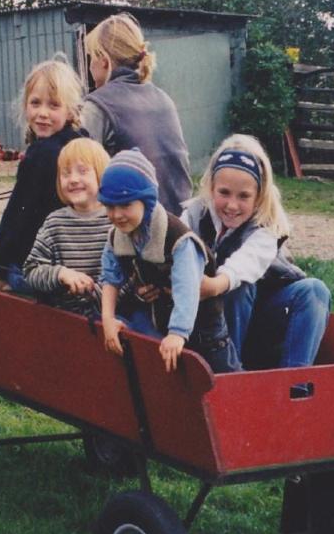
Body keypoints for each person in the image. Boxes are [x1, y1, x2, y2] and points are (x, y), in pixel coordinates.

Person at [180, 134, 329, 370]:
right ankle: (230, 372)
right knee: (237, 291)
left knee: (314, 290)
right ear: (211, 187)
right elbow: (173, 254)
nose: (232, 205)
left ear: (259, 196)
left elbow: (244, 265)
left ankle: (295, 382)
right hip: (209, 325)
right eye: (224, 193)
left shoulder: (266, 227)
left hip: (263, 319)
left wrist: (212, 285)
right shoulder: (193, 215)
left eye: (244, 196)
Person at [98, 149, 240, 375]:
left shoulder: (178, 239)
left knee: (224, 377)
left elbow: (187, 286)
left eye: (125, 205)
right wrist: (108, 318)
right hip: (163, 321)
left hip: (204, 327)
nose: (117, 215)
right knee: (175, 379)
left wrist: (178, 332)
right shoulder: (118, 235)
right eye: (110, 206)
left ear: (147, 201)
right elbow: (110, 277)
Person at [0, 55, 86, 294]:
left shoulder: (41, 154)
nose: (42, 113)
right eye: (36, 103)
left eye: (53, 105)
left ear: (70, 110)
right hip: (72, 263)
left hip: (35, 268)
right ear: (25, 105)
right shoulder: (81, 145)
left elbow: (18, 218)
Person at [81, 12, 193, 215]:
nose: (90, 66)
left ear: (103, 60)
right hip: (179, 224)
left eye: (91, 58)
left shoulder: (98, 106)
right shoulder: (163, 98)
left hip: (134, 226)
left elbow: (82, 179)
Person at [22, 138, 113, 318]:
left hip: (110, 316)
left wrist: (93, 295)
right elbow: (31, 270)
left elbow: (127, 278)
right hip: (63, 318)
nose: (73, 180)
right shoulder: (55, 223)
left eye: (82, 171)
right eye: (65, 173)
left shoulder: (114, 222)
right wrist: (61, 274)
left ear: (102, 174)